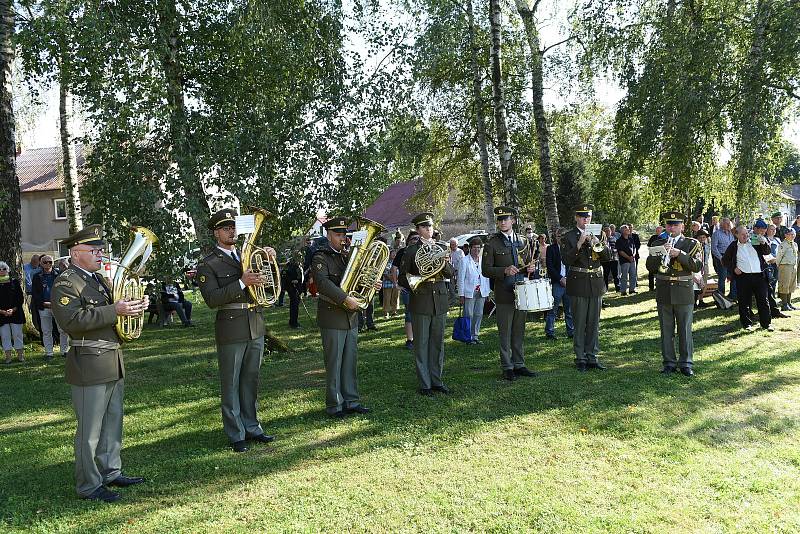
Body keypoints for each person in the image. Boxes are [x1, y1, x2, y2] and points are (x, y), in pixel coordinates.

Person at [51, 224, 148, 503]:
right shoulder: (66, 282)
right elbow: (71, 322)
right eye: (93, 250)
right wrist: (113, 310)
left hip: (111, 358)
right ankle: (88, 485)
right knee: (90, 431)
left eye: (100, 249)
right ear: (75, 252)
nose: (100, 254)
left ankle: (110, 471)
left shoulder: (96, 280)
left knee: (112, 423)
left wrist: (132, 306)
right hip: (89, 361)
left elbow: (112, 312)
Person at [197, 209, 276, 453]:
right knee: (230, 382)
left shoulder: (247, 255)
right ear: (216, 233)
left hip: (254, 322)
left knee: (250, 380)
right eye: (225, 228)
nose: (231, 231)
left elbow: (265, 281)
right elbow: (212, 299)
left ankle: (252, 427)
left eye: (233, 227)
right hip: (231, 324)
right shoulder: (207, 263)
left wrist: (269, 259)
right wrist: (242, 282)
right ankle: (236, 433)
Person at [313, 217, 377, 417]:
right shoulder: (320, 257)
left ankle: (351, 400)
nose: (342, 238)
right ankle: (334, 404)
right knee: (334, 363)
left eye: (344, 235)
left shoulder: (348, 256)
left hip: (350, 317)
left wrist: (371, 284)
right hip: (332, 316)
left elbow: (358, 280)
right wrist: (345, 299)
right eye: (338, 234)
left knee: (350, 361)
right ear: (328, 235)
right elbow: (323, 284)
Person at [399, 213, 454, 395]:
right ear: (417, 229)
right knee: (421, 344)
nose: (428, 229)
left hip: (439, 299)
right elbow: (402, 277)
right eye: (424, 227)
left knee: (437, 343)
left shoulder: (441, 247)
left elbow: (449, 273)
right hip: (421, 299)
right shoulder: (412, 250)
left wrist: (444, 263)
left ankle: (436, 380)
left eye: (430, 226)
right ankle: (425, 384)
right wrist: (419, 280)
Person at [481, 207, 538, 381]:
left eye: (505, 219)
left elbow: (529, 263)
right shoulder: (492, 243)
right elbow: (485, 270)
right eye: (500, 220)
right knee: (505, 332)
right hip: (504, 293)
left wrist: (531, 268)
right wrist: (504, 270)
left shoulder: (522, 241)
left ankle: (519, 364)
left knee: (519, 330)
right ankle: (507, 366)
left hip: (521, 292)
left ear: (513, 220)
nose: (502, 222)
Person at [645, 211, 703, 376]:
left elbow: (697, 266)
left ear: (682, 227)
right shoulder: (658, 242)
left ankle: (686, 363)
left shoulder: (692, 244)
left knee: (684, 329)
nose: (672, 227)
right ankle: (669, 362)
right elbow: (650, 266)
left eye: (675, 224)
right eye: (669, 224)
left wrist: (680, 254)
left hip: (683, 290)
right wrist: (662, 252)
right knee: (666, 329)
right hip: (664, 289)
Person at [561, 203, 612, 372]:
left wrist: (599, 243)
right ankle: (580, 357)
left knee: (593, 323)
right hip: (579, 282)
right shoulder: (568, 236)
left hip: (595, 283)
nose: (585, 219)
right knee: (580, 322)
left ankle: (592, 356)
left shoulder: (600, 234)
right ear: (576, 218)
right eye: (582, 216)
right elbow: (566, 260)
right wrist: (579, 244)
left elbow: (607, 257)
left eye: (588, 216)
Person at [722, 225, 773, 332]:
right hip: (743, 277)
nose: (746, 236)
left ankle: (766, 324)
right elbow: (724, 260)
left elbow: (767, 252)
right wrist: (734, 268)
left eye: (747, 233)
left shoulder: (755, 242)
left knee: (763, 300)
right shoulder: (733, 246)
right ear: (736, 235)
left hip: (759, 276)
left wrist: (764, 243)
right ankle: (747, 324)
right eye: (742, 234)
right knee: (744, 302)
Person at [32, 254, 69, 359]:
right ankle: (49, 353)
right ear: (41, 263)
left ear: (53, 263)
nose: (48, 264)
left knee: (62, 329)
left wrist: (58, 303)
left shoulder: (59, 275)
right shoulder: (37, 276)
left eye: (50, 262)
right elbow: (35, 293)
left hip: (58, 306)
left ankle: (64, 351)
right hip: (44, 307)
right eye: (45, 262)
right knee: (46, 330)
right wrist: (44, 303)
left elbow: (64, 290)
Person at [458, 236, 490, 344]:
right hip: (469, 292)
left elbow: (486, 277)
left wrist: (488, 291)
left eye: (478, 247)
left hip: (482, 291)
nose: (476, 250)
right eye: (474, 247)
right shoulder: (464, 260)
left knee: (478, 314)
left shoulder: (483, 260)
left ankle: (475, 336)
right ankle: (467, 337)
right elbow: (461, 279)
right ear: (470, 248)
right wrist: (461, 295)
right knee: (469, 314)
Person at [545, 228, 574, 340]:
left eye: (563, 236)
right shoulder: (551, 249)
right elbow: (550, 267)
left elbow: (573, 264)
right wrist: (561, 279)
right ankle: (550, 332)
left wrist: (568, 278)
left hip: (570, 282)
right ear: (555, 237)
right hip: (557, 283)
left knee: (569, 309)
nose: (561, 238)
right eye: (559, 236)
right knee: (553, 309)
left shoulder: (570, 248)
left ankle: (571, 331)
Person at [392, 230, 419, 350]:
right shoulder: (403, 251)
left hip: (420, 287)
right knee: (409, 313)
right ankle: (410, 340)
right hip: (406, 287)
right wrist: (395, 284)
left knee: (421, 312)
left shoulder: (421, 251)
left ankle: (419, 337)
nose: (415, 240)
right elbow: (393, 267)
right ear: (408, 240)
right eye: (413, 238)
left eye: (417, 238)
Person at [0, 261, 26, 364]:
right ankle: (8, 357)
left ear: (8, 270)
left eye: (4, 269)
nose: (2, 271)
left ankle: (20, 356)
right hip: (1, 315)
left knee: (17, 334)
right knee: (4, 335)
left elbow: (20, 298)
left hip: (16, 313)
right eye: (0, 269)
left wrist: (13, 309)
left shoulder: (14, 282)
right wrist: (2, 311)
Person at [711, 218, 736, 300]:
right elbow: (714, 248)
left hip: (731, 257)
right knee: (722, 278)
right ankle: (721, 298)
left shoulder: (731, 234)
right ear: (721, 224)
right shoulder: (716, 234)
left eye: (729, 223)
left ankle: (732, 296)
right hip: (721, 257)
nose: (729, 225)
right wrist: (721, 258)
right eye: (727, 223)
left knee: (733, 276)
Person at [775, 229, 797, 311]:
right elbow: (779, 256)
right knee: (784, 284)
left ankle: (789, 303)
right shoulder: (782, 245)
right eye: (790, 234)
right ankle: (784, 304)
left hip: (793, 266)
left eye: (793, 234)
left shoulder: (795, 244)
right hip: (785, 266)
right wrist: (779, 266)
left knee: (791, 284)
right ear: (786, 235)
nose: (792, 236)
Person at [283, 254, 304, 329]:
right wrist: (292, 281)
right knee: (294, 305)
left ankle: (293, 321)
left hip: (298, 287)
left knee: (295, 305)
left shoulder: (298, 266)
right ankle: (293, 323)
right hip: (293, 288)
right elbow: (286, 277)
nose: (300, 259)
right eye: (299, 258)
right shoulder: (290, 267)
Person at [616, 225, 636, 295]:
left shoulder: (631, 239)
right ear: (622, 231)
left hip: (632, 260)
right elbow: (620, 251)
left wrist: (633, 255)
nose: (628, 230)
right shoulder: (619, 241)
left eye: (628, 229)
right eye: (626, 229)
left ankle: (632, 290)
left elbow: (634, 248)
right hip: (624, 261)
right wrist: (628, 257)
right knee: (624, 276)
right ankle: (623, 291)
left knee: (633, 275)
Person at [382, 249, 400, 318]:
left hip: (396, 284)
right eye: (392, 253)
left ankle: (394, 312)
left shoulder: (398, 263)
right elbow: (386, 274)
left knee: (395, 298)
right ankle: (386, 313)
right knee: (387, 298)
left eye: (395, 254)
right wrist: (394, 280)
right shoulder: (386, 263)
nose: (394, 255)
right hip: (387, 284)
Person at [647, 226, 664, 291]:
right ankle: (651, 287)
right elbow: (649, 246)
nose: (657, 232)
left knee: (659, 272)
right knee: (651, 271)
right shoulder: (653, 237)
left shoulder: (664, 238)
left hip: (660, 258)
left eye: (658, 231)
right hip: (652, 257)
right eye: (656, 230)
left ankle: (658, 286)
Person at [448, 238, 464, 304]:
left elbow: (462, 262)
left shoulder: (460, 252)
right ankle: (453, 299)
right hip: (450, 271)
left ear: (457, 245)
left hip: (459, 271)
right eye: (451, 244)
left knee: (459, 285)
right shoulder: (448, 252)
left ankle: (460, 298)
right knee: (451, 286)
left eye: (454, 244)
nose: (453, 246)